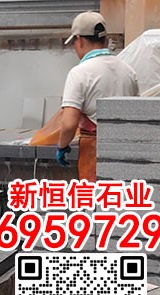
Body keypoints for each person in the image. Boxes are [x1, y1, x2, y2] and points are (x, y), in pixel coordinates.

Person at [56, 11, 138, 182]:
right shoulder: (128, 71)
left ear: (79, 40)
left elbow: (69, 123)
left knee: (98, 197)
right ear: (104, 40)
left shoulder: (79, 73)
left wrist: (62, 146)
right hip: (127, 152)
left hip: (96, 154)